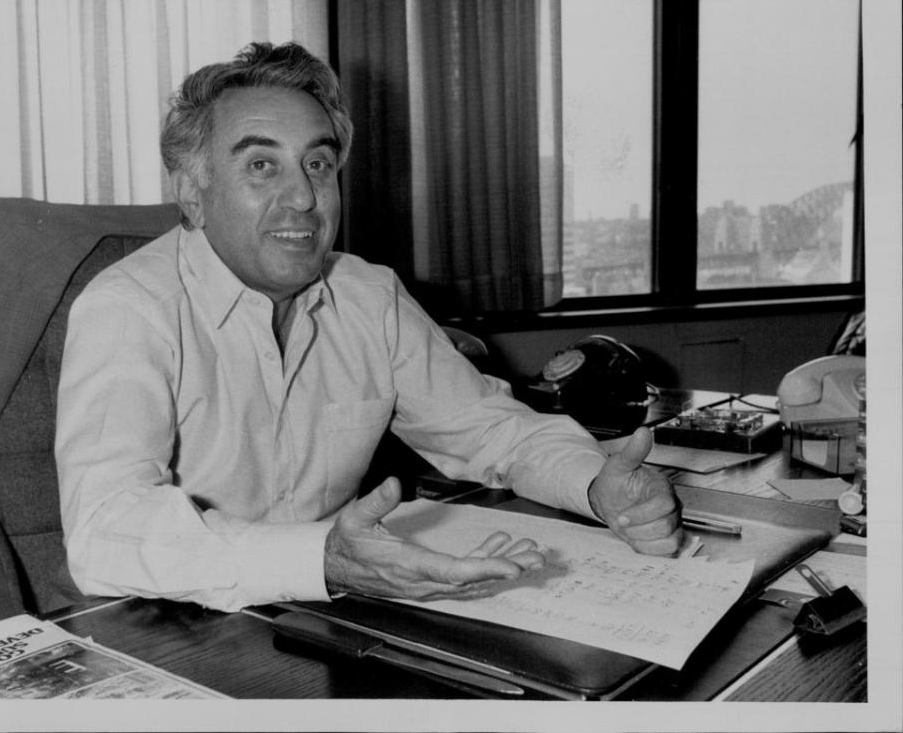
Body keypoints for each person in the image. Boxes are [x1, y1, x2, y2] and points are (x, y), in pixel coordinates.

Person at [56, 41, 682, 613]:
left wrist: (597, 487)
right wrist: (320, 560)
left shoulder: (368, 294)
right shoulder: (129, 307)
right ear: (193, 191)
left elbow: (489, 430)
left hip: (335, 612)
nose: (302, 198)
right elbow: (104, 526)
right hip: (178, 620)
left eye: (318, 164)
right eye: (260, 167)